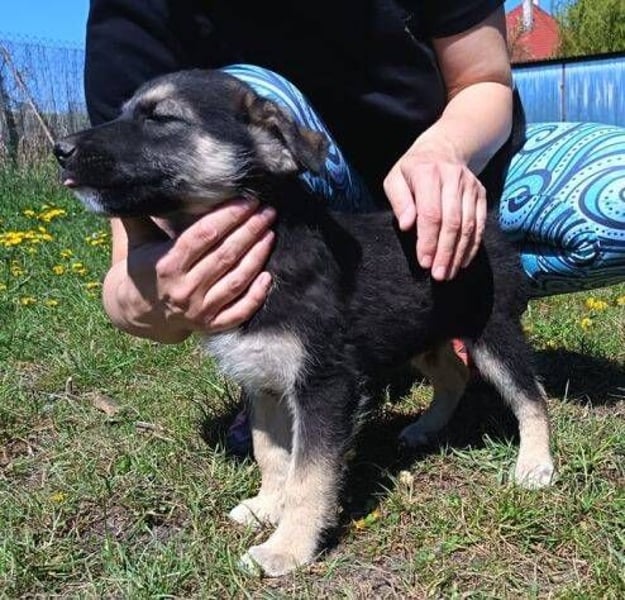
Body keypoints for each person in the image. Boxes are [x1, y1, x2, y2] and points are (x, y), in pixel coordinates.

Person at [85, 1, 516, 449]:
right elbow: (130, 256)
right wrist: (151, 294)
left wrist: (446, 148)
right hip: (308, 221)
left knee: (576, 202)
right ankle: (290, 349)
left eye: (161, 118)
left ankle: (424, 321)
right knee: (243, 90)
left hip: (459, 173)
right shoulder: (139, 13)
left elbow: (484, 78)